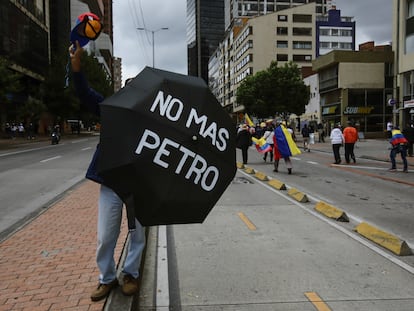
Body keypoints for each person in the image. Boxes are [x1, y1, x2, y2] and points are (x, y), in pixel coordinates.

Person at [69, 41, 146, 301]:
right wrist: (76, 66)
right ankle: (107, 277)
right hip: (111, 181)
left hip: (139, 185)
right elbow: (85, 93)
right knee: (105, 236)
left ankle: (131, 274)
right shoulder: (109, 109)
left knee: (138, 234)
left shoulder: (153, 122)